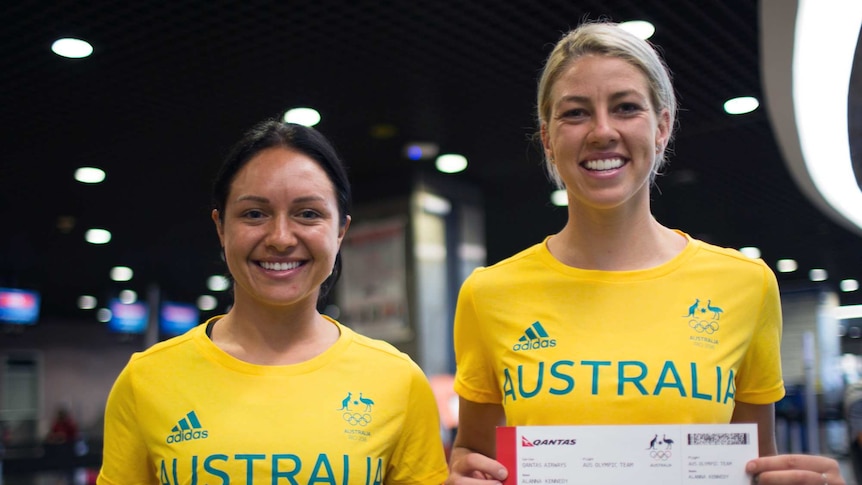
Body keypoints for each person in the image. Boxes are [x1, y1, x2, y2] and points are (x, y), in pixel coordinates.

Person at [446, 21, 845, 485]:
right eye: (575, 113)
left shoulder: (745, 285)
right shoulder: (489, 294)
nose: (601, 131)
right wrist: (461, 473)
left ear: (662, 126)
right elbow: (474, 454)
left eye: (626, 107)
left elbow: (753, 465)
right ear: (549, 140)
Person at [97, 119, 449, 484]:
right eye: (254, 214)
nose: (280, 238)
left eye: (308, 214)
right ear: (221, 227)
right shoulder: (147, 380)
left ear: (340, 230)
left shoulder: (398, 381)